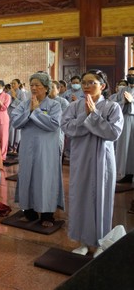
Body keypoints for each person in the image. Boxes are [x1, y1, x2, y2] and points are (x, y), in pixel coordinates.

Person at [61, 70, 124, 257]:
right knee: (80, 196)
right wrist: (85, 116)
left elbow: (113, 133)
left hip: (102, 159)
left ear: (102, 86)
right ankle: (82, 241)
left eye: (91, 83)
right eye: (84, 83)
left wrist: (94, 115)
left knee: (101, 198)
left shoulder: (112, 107)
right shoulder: (74, 106)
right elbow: (66, 127)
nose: (86, 86)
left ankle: (101, 243)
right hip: (80, 158)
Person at [11, 72, 64, 227]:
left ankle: (47, 215)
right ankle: (29, 212)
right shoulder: (24, 104)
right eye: (31, 85)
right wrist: (29, 111)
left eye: (37, 85)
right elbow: (15, 122)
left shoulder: (54, 105)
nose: (33, 88)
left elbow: (54, 124)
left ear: (46, 88)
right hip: (28, 148)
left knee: (45, 179)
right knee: (27, 176)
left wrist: (37, 112)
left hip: (46, 150)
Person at [115, 67, 134, 183]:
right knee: (125, 147)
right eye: (129, 75)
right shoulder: (123, 90)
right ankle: (127, 173)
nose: (130, 77)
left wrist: (132, 101)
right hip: (125, 119)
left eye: (133, 75)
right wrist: (124, 102)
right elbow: (115, 103)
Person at [8, 78, 27, 153]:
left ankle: (15, 147)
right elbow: (6, 103)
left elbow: (23, 104)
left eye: (14, 83)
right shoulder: (9, 92)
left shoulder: (22, 93)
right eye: (11, 84)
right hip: (10, 112)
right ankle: (10, 146)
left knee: (17, 131)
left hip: (18, 113)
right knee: (10, 130)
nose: (12, 85)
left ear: (19, 85)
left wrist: (15, 97)